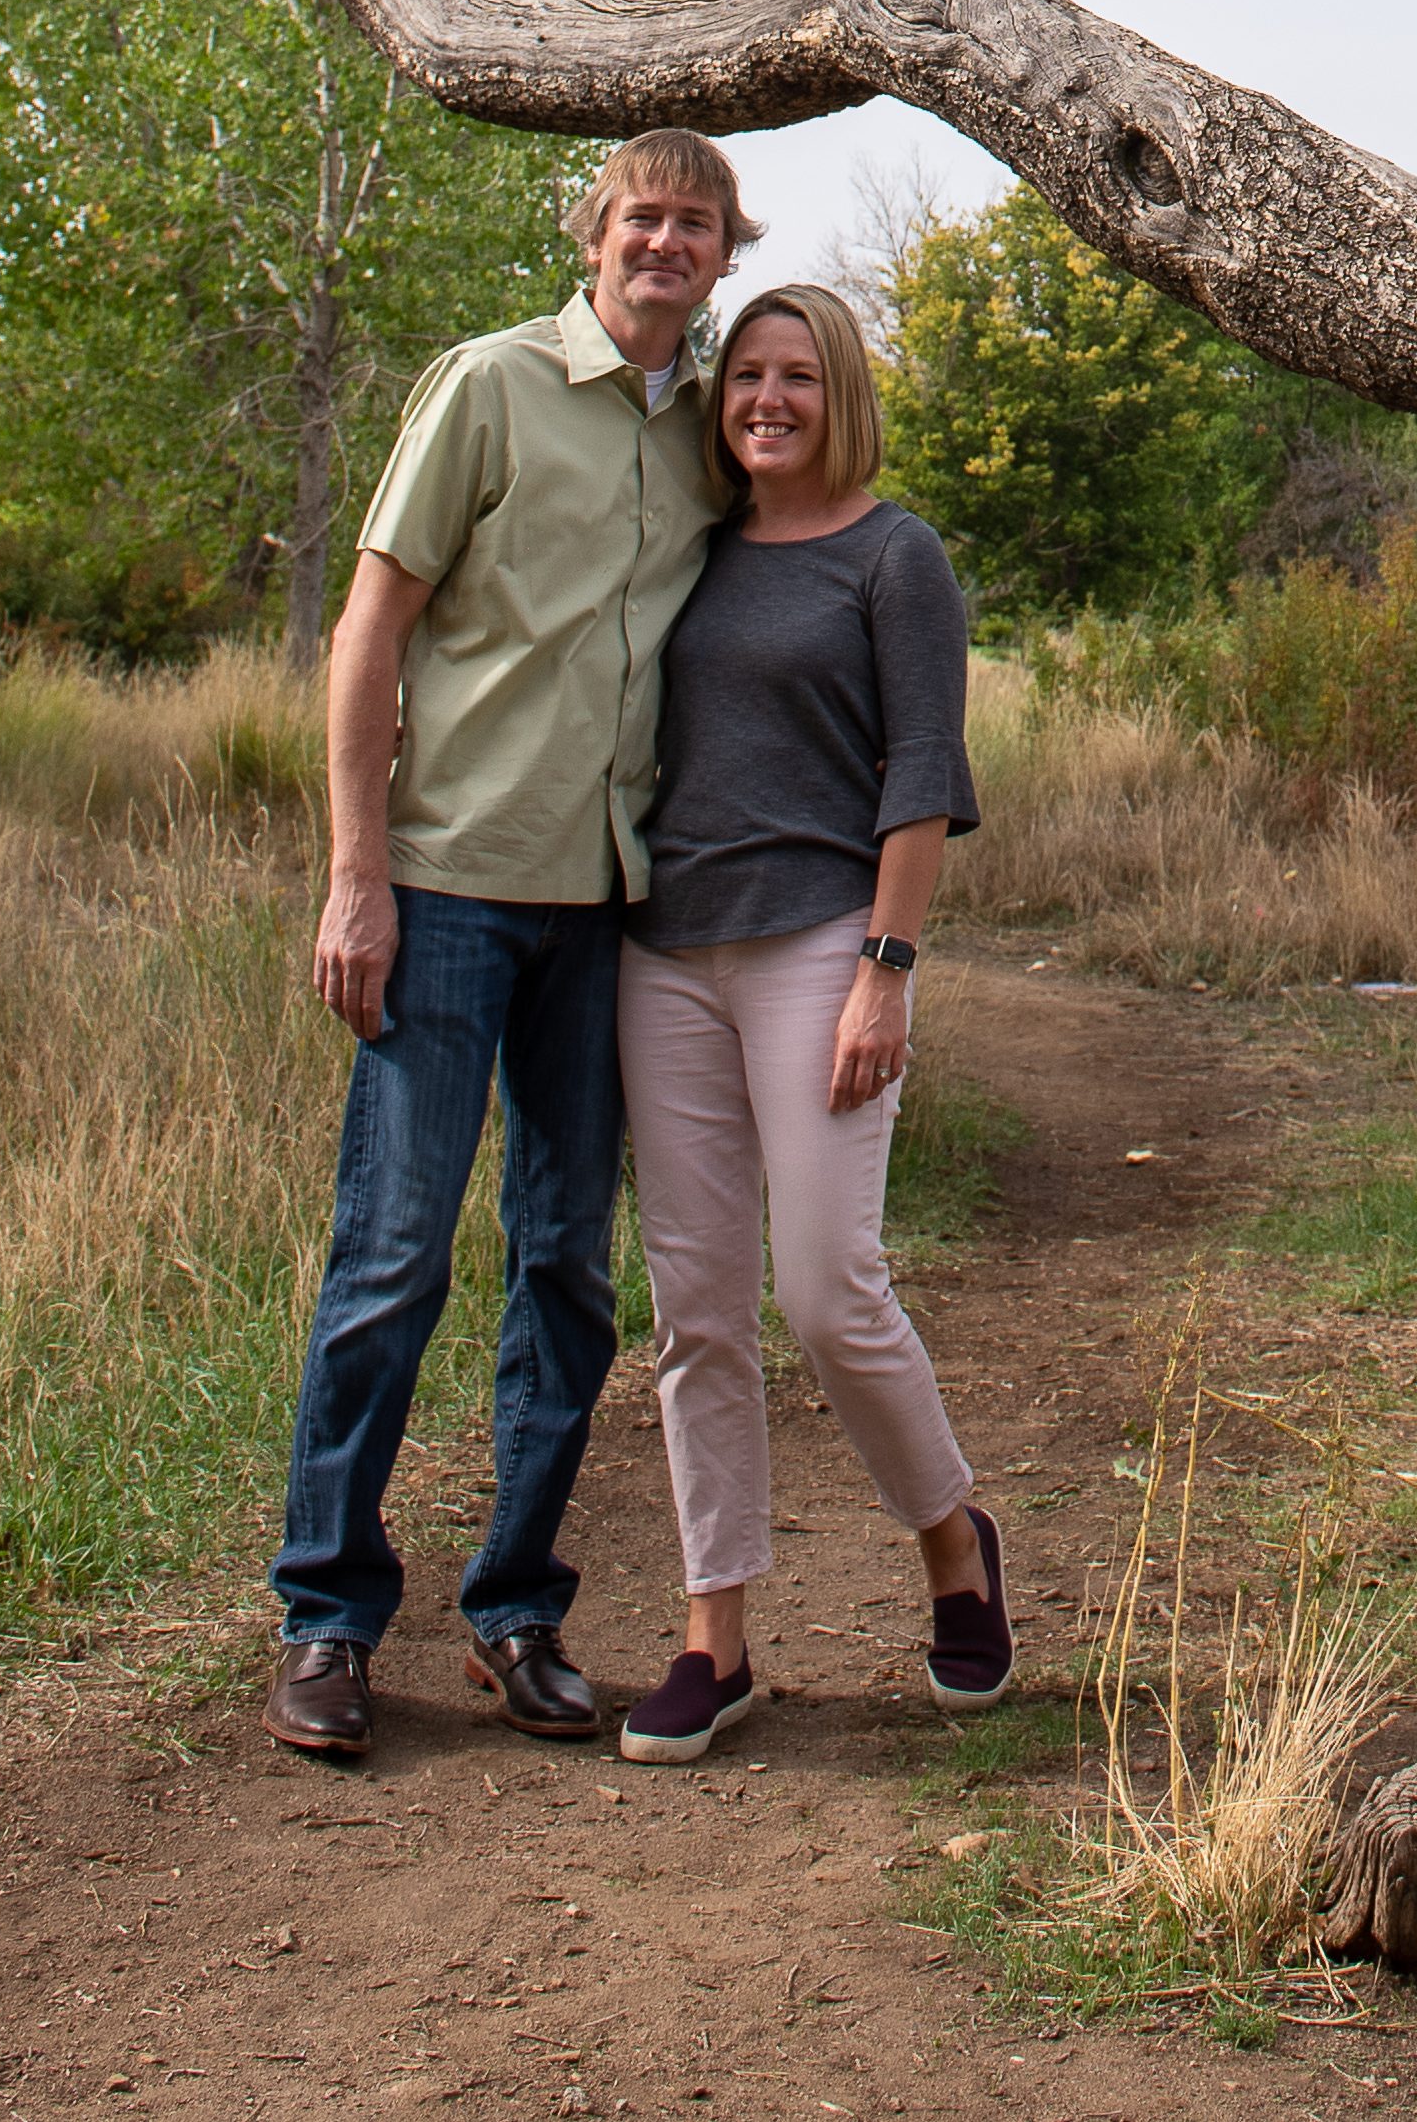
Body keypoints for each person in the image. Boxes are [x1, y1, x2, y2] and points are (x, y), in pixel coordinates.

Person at [262, 131, 750, 1763]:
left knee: (568, 1269)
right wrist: (354, 874)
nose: (663, 243)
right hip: (451, 889)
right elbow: (370, 626)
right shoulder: (487, 385)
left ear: (723, 249)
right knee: (393, 1255)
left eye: (693, 223)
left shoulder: (715, 429)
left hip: (609, 913)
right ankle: (327, 1621)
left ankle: (516, 1607)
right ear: (592, 234)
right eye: (641, 218)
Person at [611, 281, 1011, 1761]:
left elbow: (923, 766)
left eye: (798, 376)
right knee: (695, 1305)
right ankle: (716, 1633)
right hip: (663, 958)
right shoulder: (691, 552)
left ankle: (953, 1548)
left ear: (842, 392)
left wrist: (886, 964)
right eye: (745, 376)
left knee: (827, 1286)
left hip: (820, 948)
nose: (767, 398)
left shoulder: (895, 554)